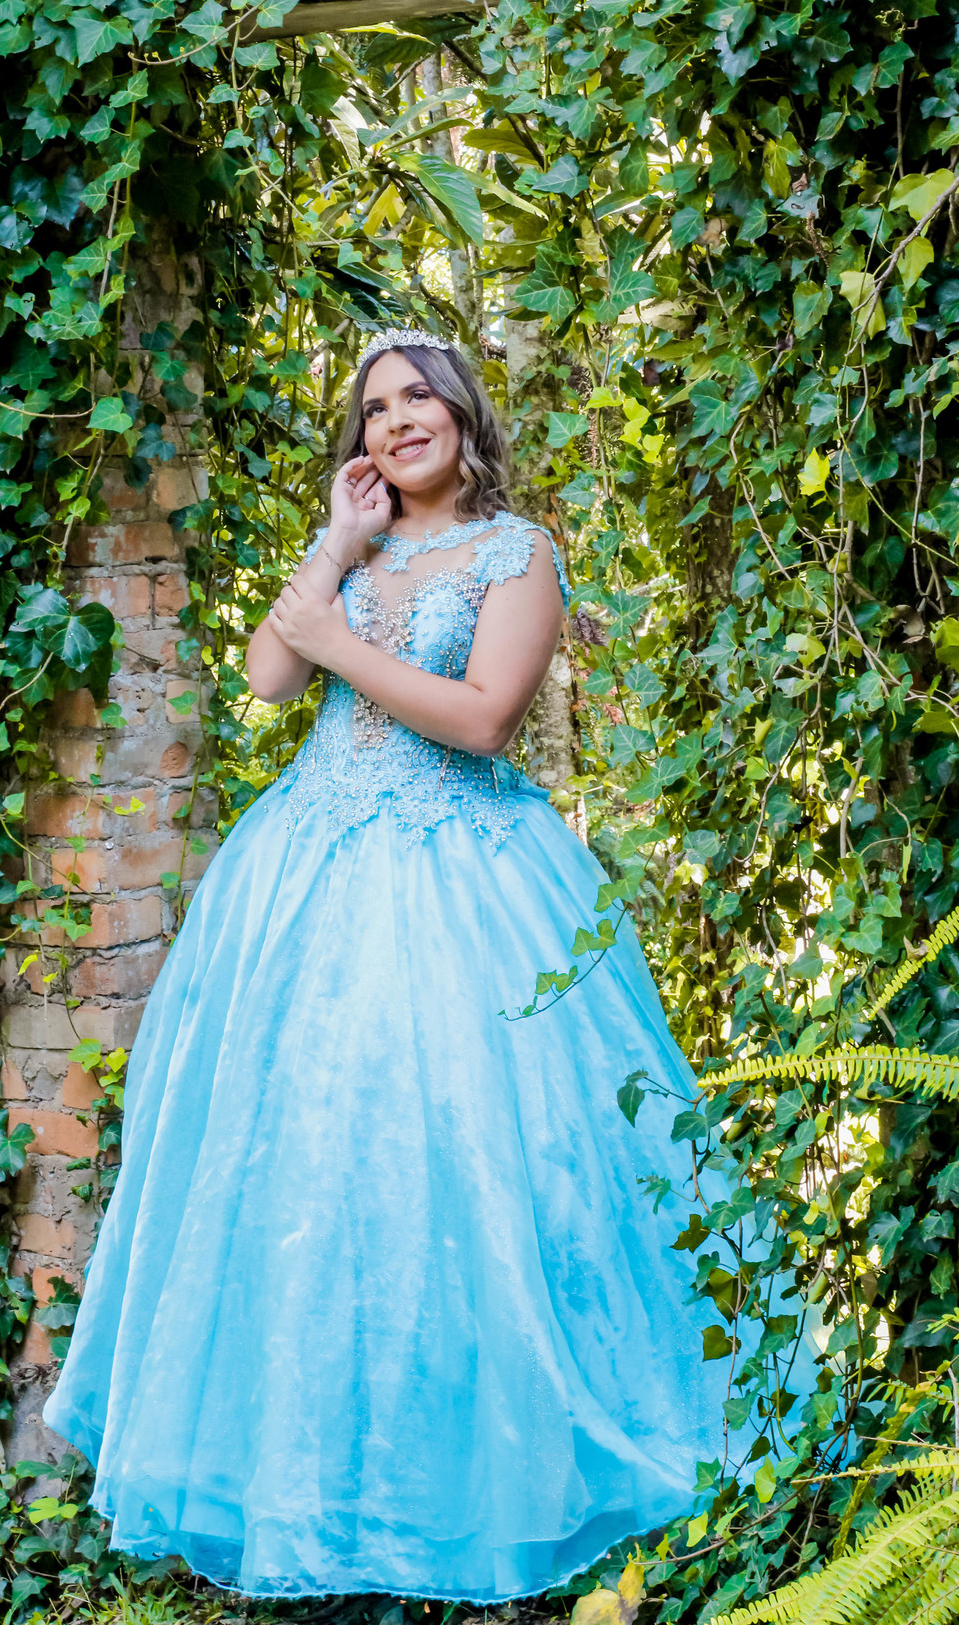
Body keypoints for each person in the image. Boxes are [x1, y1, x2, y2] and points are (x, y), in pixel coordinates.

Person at [42, 328, 795, 1602]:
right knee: (312, 1170)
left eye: (417, 398)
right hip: (303, 877)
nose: (396, 421)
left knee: (478, 1163)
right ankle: (322, 1474)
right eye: (375, 408)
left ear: (460, 411)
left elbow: (485, 718)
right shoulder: (360, 548)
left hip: (464, 882)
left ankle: (481, 1470)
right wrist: (336, 550)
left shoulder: (516, 553)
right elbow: (269, 677)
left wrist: (340, 643)